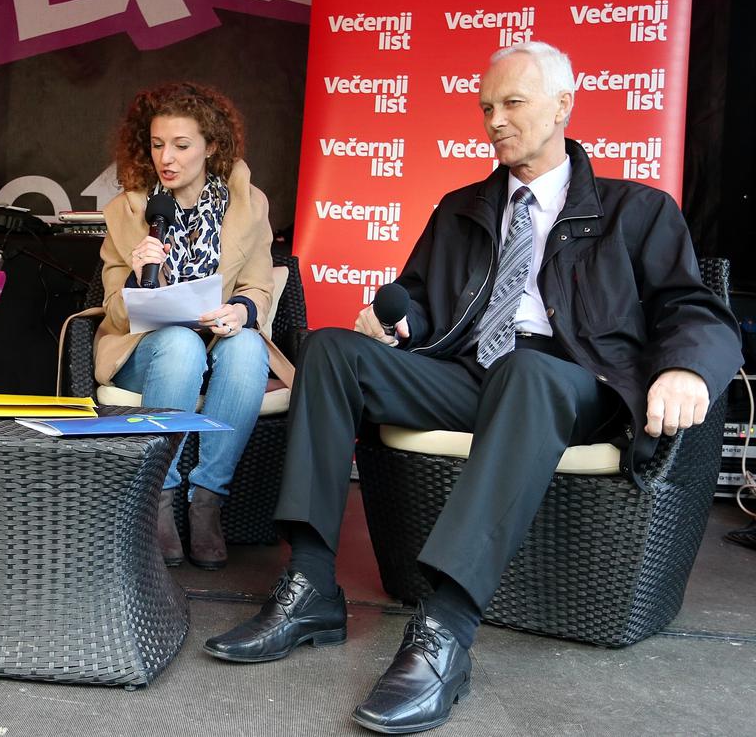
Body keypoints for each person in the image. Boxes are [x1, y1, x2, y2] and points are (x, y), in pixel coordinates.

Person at [203, 42, 742, 733]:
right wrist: (399, 316)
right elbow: (427, 300)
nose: (495, 119)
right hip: (472, 374)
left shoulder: (635, 211)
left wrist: (686, 366)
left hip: (574, 381)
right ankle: (310, 585)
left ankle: (444, 630)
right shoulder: (462, 208)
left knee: (528, 369)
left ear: (563, 108)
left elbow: (693, 308)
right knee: (333, 350)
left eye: (513, 103)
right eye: (487, 106)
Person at [96, 82, 295, 568]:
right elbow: (113, 309)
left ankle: (208, 499)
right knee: (182, 344)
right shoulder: (128, 212)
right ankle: (159, 499)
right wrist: (143, 281)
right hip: (146, 349)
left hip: (219, 342)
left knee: (247, 347)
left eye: (182, 146)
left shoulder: (248, 206)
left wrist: (241, 311)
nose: (168, 157)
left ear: (211, 146)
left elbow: (257, 287)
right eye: (159, 144)